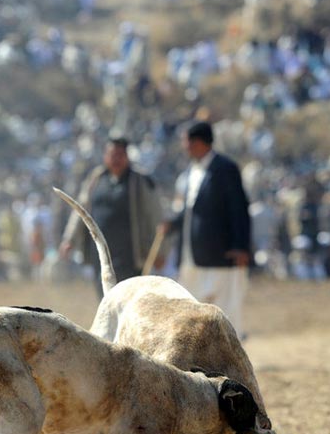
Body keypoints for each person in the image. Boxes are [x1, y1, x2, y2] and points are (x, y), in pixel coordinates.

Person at [166, 121, 251, 335]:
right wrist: (172, 225)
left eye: (187, 142)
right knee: (192, 309)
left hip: (222, 255)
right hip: (193, 256)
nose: (184, 147)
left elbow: (239, 208)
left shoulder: (225, 169)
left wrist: (241, 246)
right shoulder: (190, 173)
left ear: (198, 142)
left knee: (226, 312)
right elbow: (189, 210)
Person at [61, 138, 163, 291]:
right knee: (105, 297)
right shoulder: (96, 179)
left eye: (120, 155)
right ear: (105, 156)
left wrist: (160, 252)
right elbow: (80, 210)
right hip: (99, 253)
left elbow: (156, 216)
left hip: (130, 255)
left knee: (127, 298)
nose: (116, 159)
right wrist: (69, 239)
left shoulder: (140, 182)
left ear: (127, 157)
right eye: (112, 154)